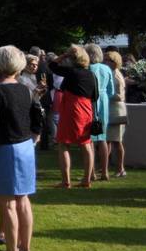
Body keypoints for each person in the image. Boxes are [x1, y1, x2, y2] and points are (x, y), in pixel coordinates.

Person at [0, 46, 42, 251]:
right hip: (25, 146)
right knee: (23, 201)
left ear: (0, 64)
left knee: (8, 203)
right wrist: (35, 136)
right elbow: (38, 116)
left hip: (6, 148)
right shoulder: (26, 88)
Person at [49, 45, 97, 188]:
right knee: (86, 144)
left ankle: (66, 181)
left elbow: (52, 65)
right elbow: (95, 95)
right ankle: (86, 179)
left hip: (72, 108)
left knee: (64, 143)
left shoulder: (71, 72)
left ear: (72, 58)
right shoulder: (91, 74)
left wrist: (64, 55)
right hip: (87, 109)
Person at [86, 44, 115, 181]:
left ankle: (92, 172)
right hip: (103, 102)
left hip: (90, 102)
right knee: (102, 138)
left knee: (90, 139)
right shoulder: (106, 68)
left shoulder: (88, 69)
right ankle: (105, 171)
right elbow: (112, 91)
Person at [104, 51, 127, 178]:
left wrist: (105, 95)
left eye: (108, 60)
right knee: (107, 140)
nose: (105, 62)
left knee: (117, 141)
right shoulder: (110, 73)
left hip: (117, 110)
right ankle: (104, 167)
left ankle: (120, 168)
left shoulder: (117, 75)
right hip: (110, 109)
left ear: (115, 62)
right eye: (105, 59)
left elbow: (120, 96)